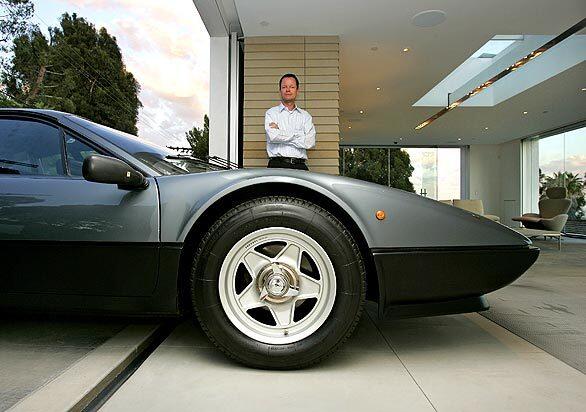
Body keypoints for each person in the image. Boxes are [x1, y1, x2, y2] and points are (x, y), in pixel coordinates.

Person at [265, 73, 316, 170]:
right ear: (280, 90)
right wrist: (299, 135)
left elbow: (310, 143)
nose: (288, 90)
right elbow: (273, 136)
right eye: (284, 87)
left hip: (300, 166)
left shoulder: (306, 116)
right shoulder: (271, 113)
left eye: (292, 87)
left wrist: (281, 133)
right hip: (276, 165)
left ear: (297, 90)